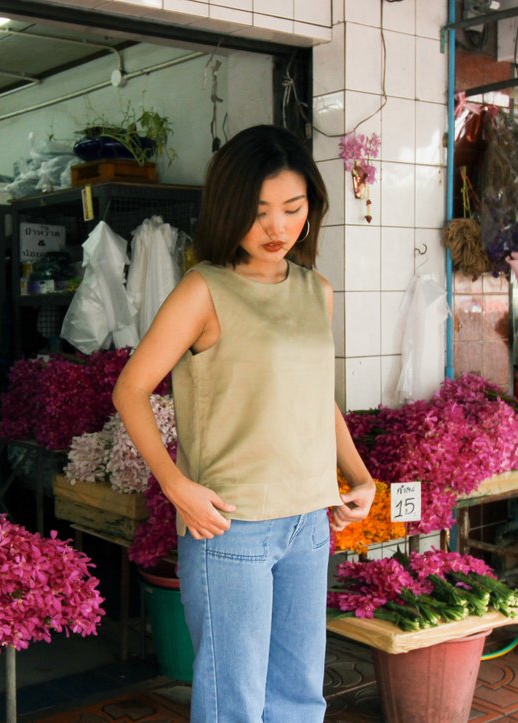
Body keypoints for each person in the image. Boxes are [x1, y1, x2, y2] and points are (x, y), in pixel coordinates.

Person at [112, 124, 376, 722]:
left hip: (309, 521)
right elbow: (129, 389)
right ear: (231, 209)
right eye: (259, 212)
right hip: (230, 528)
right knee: (234, 703)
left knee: (300, 695)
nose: (278, 228)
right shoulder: (204, 290)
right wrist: (176, 487)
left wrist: (359, 476)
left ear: (312, 206)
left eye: (292, 208)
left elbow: (317, 399)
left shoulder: (317, 291)